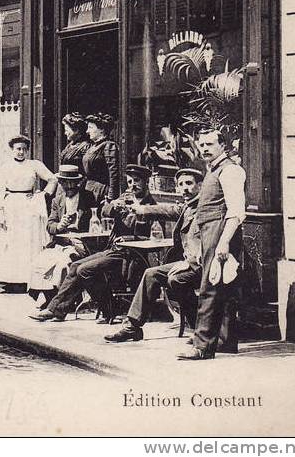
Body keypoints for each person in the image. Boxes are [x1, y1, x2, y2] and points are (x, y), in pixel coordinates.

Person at [30, 164, 164, 324]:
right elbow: (103, 211)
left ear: (146, 182)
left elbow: (155, 236)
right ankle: (56, 310)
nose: (133, 185)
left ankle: (109, 310)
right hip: (114, 249)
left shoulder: (151, 206)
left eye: (136, 181)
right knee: (75, 266)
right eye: (129, 182)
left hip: (133, 254)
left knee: (86, 270)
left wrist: (129, 237)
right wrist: (113, 206)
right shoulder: (125, 199)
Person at [106, 168, 204, 343]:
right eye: (181, 185)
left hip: (203, 265)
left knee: (177, 280)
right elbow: (167, 209)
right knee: (151, 273)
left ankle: (200, 328)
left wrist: (189, 262)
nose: (185, 188)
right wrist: (141, 210)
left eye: (189, 183)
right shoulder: (186, 207)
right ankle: (132, 327)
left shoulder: (204, 207)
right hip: (187, 264)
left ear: (200, 185)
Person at [178, 128, 246, 361]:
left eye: (210, 144)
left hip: (220, 233)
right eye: (202, 144)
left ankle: (202, 346)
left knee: (211, 285)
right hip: (210, 233)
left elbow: (236, 211)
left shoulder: (231, 171)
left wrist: (223, 242)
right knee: (224, 287)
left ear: (223, 145)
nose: (205, 148)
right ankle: (225, 341)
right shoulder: (213, 170)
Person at [0, 135, 57, 290]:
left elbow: (53, 179)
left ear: (27, 150)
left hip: (29, 206)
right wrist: (1, 213)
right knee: (12, 243)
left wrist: (43, 195)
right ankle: (11, 281)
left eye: (24, 149)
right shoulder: (6, 167)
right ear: (12, 150)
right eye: (18, 149)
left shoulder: (34, 165)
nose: (21, 152)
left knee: (28, 243)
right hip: (11, 207)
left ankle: (27, 280)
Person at [28, 165, 97, 305]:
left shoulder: (88, 197)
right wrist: (59, 226)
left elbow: (95, 223)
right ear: (61, 183)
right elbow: (50, 225)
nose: (69, 186)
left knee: (62, 264)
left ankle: (65, 301)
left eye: (72, 182)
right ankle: (50, 297)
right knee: (40, 261)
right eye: (65, 182)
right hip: (61, 242)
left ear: (78, 182)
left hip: (80, 242)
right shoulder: (57, 200)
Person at [82, 113, 122, 206]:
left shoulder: (109, 146)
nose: (87, 131)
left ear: (102, 130)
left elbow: (113, 174)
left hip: (101, 191)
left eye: (91, 127)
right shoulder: (92, 146)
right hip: (89, 190)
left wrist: (111, 198)